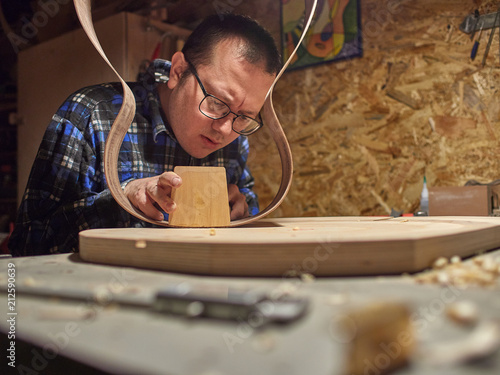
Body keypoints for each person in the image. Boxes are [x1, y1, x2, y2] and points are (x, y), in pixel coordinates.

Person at [9, 13, 281, 256]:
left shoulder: (236, 136)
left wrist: (241, 212)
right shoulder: (91, 114)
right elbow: (28, 243)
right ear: (178, 71)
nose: (224, 130)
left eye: (244, 116)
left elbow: (248, 206)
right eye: (217, 103)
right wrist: (120, 201)